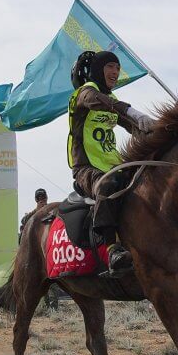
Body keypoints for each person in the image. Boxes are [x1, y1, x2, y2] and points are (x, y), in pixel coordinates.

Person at [66, 50, 155, 274]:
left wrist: (159, 128)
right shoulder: (84, 94)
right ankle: (112, 249)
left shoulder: (112, 101)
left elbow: (134, 127)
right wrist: (131, 111)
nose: (115, 72)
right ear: (98, 70)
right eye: (110, 67)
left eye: (117, 67)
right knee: (107, 185)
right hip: (86, 169)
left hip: (114, 165)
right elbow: (97, 101)